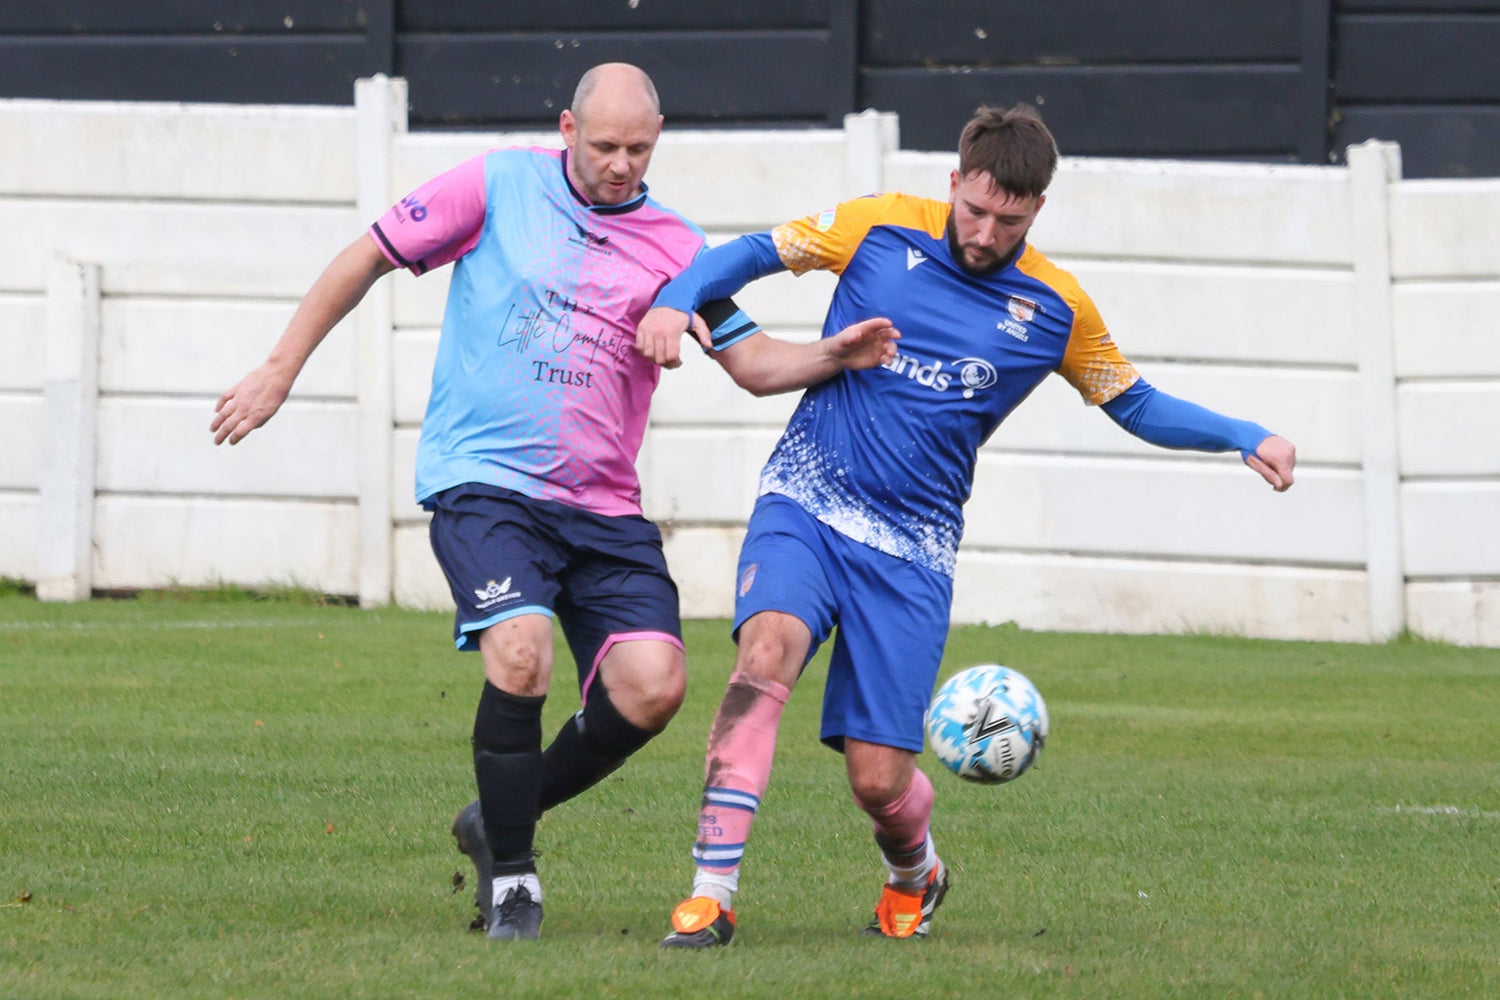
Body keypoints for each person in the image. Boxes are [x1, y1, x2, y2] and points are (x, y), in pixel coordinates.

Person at [210, 62, 898, 942]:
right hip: (486, 483)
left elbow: (755, 365)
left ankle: (499, 810)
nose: (621, 163)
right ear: (566, 130)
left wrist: (836, 352)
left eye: (639, 149)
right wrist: (280, 369)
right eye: (605, 145)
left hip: (603, 509)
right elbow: (367, 256)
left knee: (655, 689)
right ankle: (513, 882)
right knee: (523, 654)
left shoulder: (680, 247)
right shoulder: (498, 185)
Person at [633, 102, 1297, 947]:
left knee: (878, 782)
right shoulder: (877, 227)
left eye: (1007, 220)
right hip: (806, 499)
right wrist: (675, 299)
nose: (983, 234)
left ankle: (916, 871)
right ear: (953, 183)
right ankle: (711, 896)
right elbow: (748, 254)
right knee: (763, 656)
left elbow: (1133, 402)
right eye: (974, 210)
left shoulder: (1056, 306)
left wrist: (1246, 435)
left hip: (914, 549)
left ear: (1036, 213)